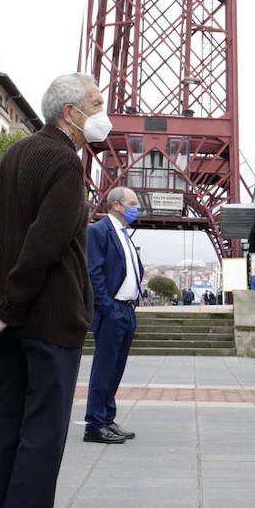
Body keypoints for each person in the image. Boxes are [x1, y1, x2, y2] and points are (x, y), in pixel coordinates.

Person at [0, 73, 107, 508]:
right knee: (42, 428)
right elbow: (45, 245)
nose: (101, 110)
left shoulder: (16, 155)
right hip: (45, 319)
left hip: (9, 320)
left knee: (1, 422)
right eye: (95, 103)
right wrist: (10, 306)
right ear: (70, 112)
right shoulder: (65, 164)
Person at [83, 186, 143, 444]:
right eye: (133, 203)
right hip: (113, 309)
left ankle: (107, 418)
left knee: (116, 368)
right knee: (104, 368)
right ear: (117, 205)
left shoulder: (124, 234)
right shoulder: (98, 231)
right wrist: (108, 307)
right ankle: (94, 425)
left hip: (127, 309)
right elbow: (93, 272)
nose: (136, 208)